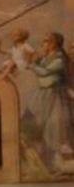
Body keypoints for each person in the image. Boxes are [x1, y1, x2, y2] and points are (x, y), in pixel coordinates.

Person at [24, 32, 73, 171]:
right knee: (38, 125)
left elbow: (45, 72)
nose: (43, 43)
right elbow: (39, 69)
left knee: (55, 128)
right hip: (44, 93)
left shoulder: (60, 58)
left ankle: (58, 162)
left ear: (54, 43)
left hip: (55, 94)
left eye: (46, 41)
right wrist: (33, 60)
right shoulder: (46, 57)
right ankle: (48, 162)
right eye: (44, 41)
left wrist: (32, 65)